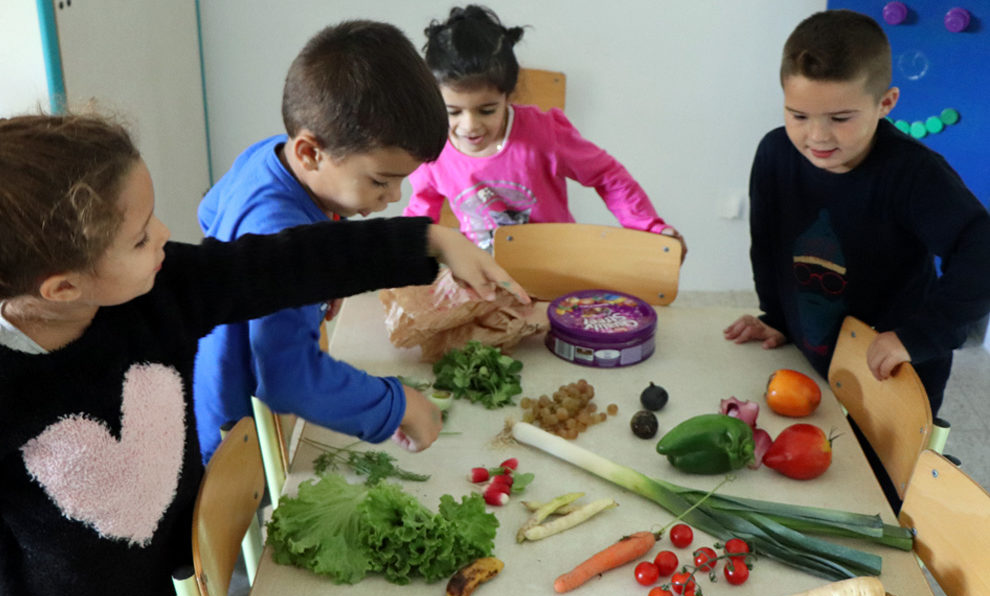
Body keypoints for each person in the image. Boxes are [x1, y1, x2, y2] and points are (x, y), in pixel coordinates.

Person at [0, 109, 522, 596]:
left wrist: (425, 241)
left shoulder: (159, 288)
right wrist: (24, 512)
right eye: (139, 237)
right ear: (64, 285)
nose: (163, 235)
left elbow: (280, 265)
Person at [192, 20, 530, 465]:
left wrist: (320, 279)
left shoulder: (272, 155)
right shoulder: (276, 225)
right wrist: (397, 405)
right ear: (311, 153)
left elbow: (211, 213)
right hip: (240, 438)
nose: (393, 197)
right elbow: (288, 379)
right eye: (380, 181)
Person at [725, 9, 990, 417]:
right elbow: (766, 244)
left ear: (886, 103)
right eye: (798, 115)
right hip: (814, 356)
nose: (817, 136)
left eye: (840, 118)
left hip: (894, 375)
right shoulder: (775, 153)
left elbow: (981, 250)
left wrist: (920, 335)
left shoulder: (915, 173)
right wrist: (775, 316)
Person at [402, 4, 685, 257]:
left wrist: (650, 228)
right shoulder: (433, 148)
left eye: (486, 110)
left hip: (556, 267)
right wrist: (404, 250)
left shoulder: (545, 134)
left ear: (508, 96)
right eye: (453, 112)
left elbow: (607, 175)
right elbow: (420, 213)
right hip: (483, 274)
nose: (470, 125)